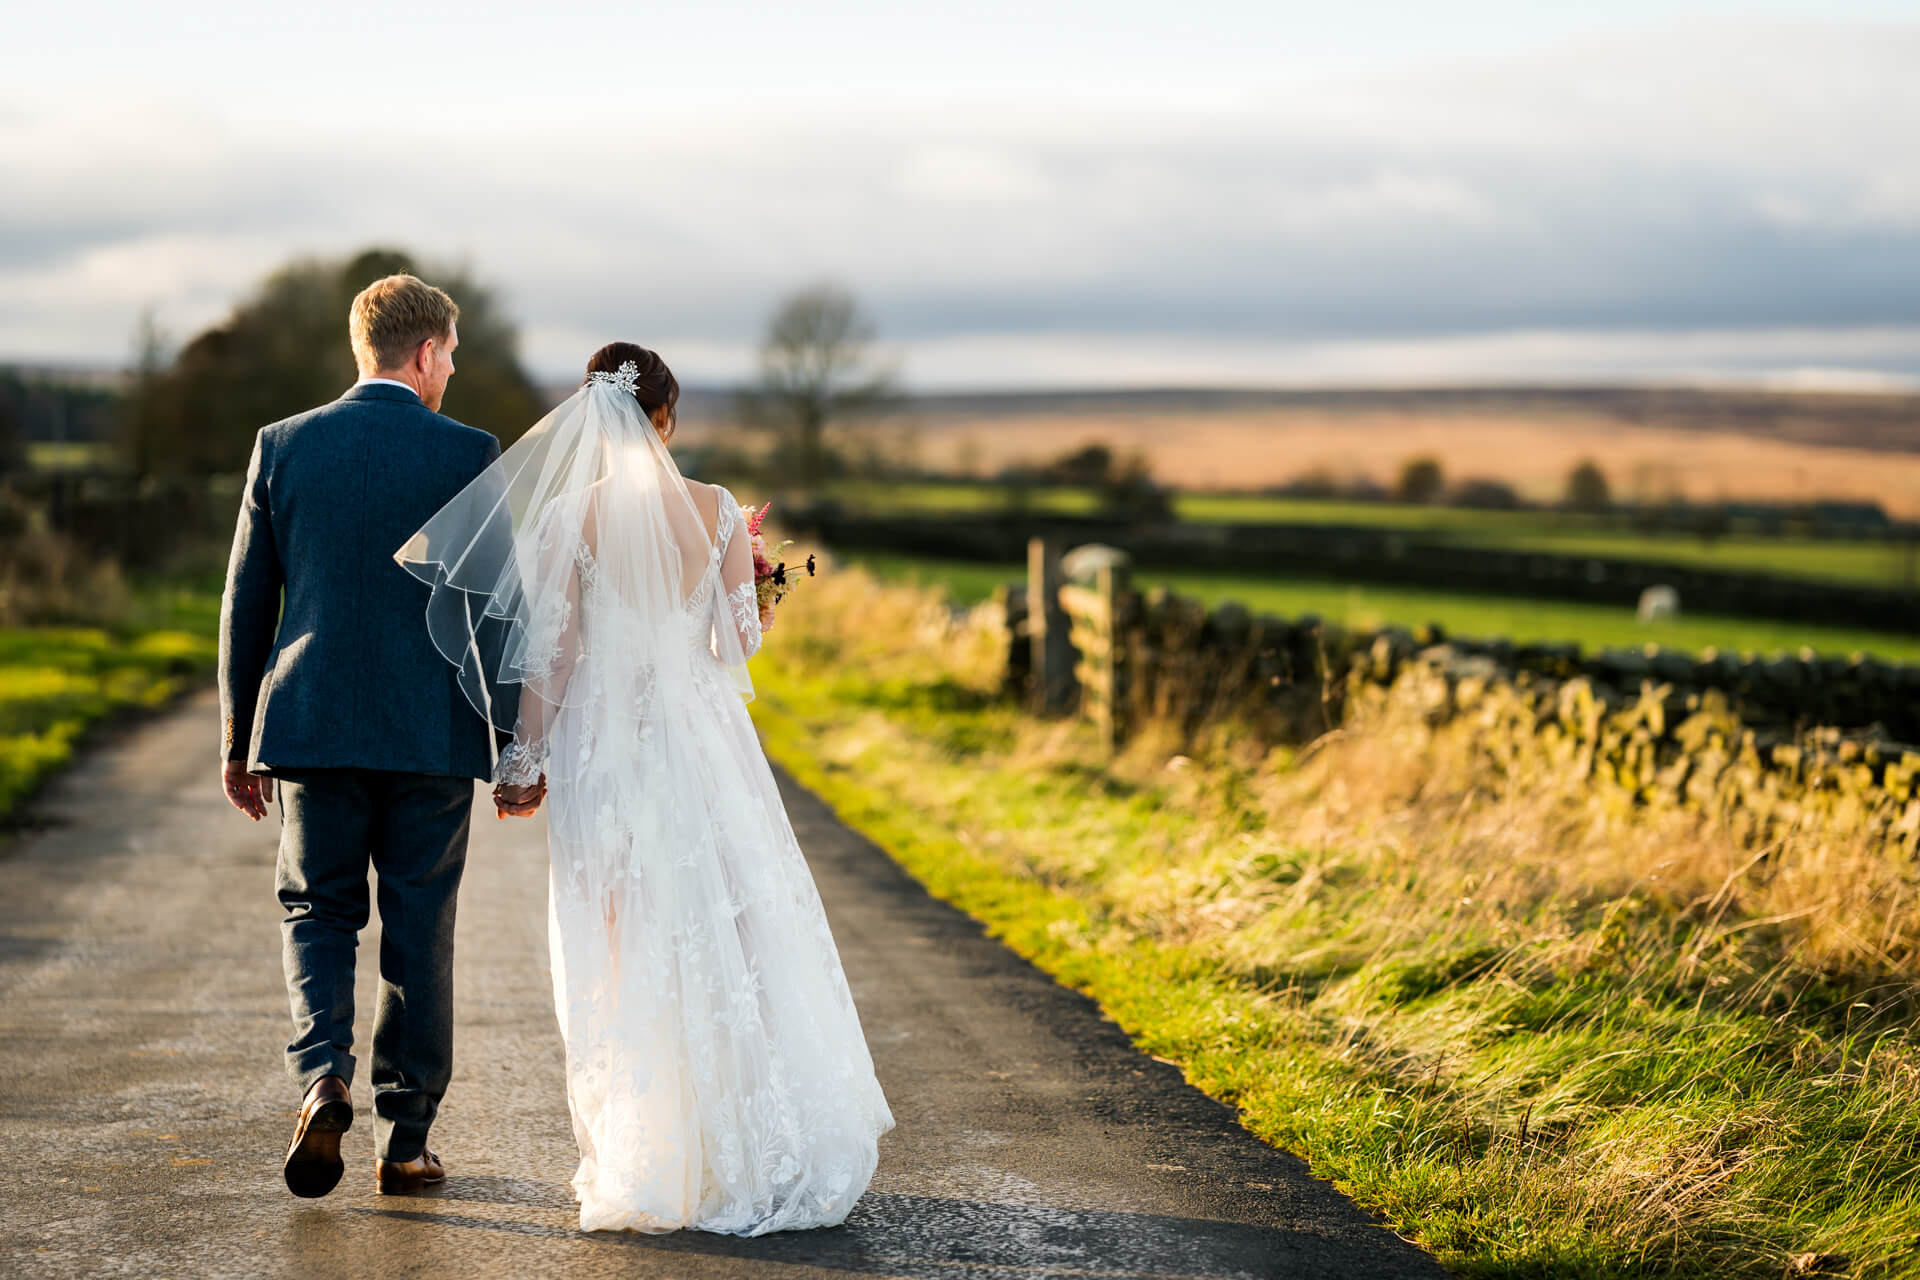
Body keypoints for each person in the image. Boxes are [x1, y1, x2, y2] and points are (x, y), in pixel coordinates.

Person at [396, 342, 893, 1234]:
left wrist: (523, 763)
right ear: (666, 417)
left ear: (596, 416)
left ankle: (655, 1150)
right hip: (701, 741)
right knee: (726, 927)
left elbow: (552, 659)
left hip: (606, 747)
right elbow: (737, 648)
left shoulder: (570, 518)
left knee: (622, 938)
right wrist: (756, 591)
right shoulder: (716, 509)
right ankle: (748, 1140)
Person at [218, 273, 502, 1199]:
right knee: (419, 927)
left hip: (311, 724)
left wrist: (238, 735)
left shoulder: (284, 445)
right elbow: (499, 608)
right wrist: (515, 741)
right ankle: (406, 1141)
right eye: (450, 356)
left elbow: (247, 603)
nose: (451, 371)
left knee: (318, 910)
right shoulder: (470, 453)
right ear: (424, 353)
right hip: (431, 734)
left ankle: (322, 1078)